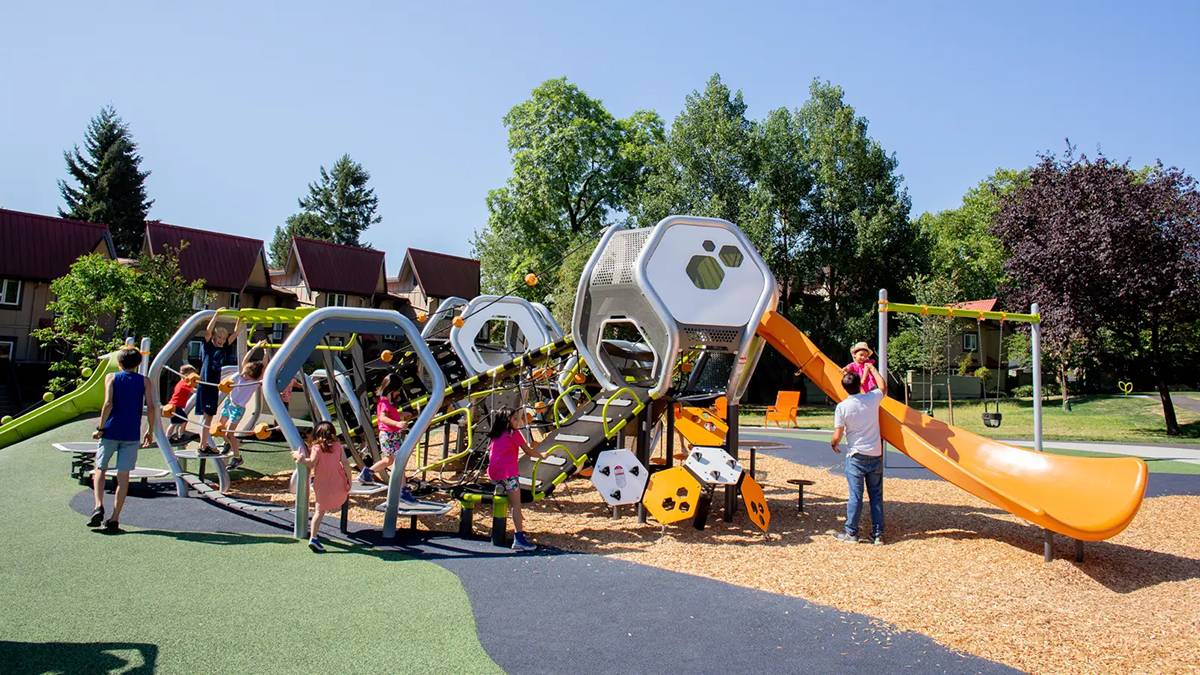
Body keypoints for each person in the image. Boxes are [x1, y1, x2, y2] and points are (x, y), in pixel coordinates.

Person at [89, 345, 157, 531]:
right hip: (131, 433)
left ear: (119, 362)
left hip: (110, 431)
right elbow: (151, 407)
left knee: (100, 469)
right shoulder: (145, 381)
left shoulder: (111, 377)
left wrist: (100, 428)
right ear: (138, 363)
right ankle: (114, 518)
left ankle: (98, 506)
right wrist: (149, 430)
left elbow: (108, 403)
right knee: (123, 476)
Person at [831, 361, 887, 545]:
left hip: (856, 455)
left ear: (844, 388)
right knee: (876, 496)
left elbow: (837, 434)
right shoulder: (871, 399)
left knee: (855, 495)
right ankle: (878, 534)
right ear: (859, 384)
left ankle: (851, 533)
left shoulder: (842, 407)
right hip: (875, 453)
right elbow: (882, 386)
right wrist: (872, 369)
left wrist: (834, 444)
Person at [486, 407, 544, 552]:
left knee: (510, 499)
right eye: (515, 419)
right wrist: (542, 455)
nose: (518, 421)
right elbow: (528, 451)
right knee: (516, 506)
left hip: (493, 475)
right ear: (507, 421)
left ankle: (501, 490)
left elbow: (491, 453)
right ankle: (519, 538)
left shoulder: (496, 434)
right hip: (508, 475)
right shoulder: (514, 433)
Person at [292, 421, 351, 553]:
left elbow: (311, 463)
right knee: (340, 498)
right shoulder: (338, 446)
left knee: (319, 511)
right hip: (337, 482)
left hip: (321, 484)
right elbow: (346, 464)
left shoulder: (317, 448)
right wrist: (349, 481)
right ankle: (334, 507)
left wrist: (300, 457)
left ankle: (313, 537)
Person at [213, 339, 268, 470]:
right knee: (221, 427)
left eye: (246, 373)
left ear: (252, 375)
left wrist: (266, 351)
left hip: (238, 409)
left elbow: (264, 365)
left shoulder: (255, 381)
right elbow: (246, 359)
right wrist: (255, 347)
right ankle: (228, 444)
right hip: (229, 403)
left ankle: (237, 458)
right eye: (244, 371)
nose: (243, 374)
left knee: (229, 434)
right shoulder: (241, 374)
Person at [358, 374, 417, 494]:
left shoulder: (389, 403)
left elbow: (391, 415)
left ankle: (367, 473)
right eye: (398, 390)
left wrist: (401, 414)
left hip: (392, 435)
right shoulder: (384, 403)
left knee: (389, 461)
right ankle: (402, 489)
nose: (399, 393)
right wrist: (397, 423)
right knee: (398, 460)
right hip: (388, 435)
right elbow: (382, 418)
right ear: (392, 389)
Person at [197, 309, 241, 454]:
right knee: (207, 417)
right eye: (219, 338)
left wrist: (241, 319)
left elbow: (235, 333)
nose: (221, 340)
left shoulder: (225, 347)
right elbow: (208, 331)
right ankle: (203, 445)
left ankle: (204, 444)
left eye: (223, 338)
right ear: (215, 338)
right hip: (206, 384)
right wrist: (216, 315)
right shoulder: (209, 346)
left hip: (214, 386)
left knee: (208, 417)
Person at [165, 365, 198, 441]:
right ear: (187, 374)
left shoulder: (181, 382)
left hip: (174, 405)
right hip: (175, 406)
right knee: (182, 420)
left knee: (175, 422)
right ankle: (180, 435)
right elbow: (193, 391)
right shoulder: (184, 383)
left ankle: (171, 436)